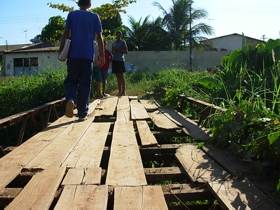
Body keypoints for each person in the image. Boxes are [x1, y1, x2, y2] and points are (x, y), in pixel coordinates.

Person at [58, 0, 105, 121]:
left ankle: (71, 99)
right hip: (87, 56)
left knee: (71, 80)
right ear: (90, 5)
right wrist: (102, 55)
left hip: (73, 55)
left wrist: (61, 50)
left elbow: (66, 34)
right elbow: (99, 37)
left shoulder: (72, 15)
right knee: (85, 83)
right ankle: (82, 113)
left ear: (78, 4)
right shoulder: (95, 17)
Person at [111, 31, 128, 96]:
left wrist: (118, 49)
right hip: (114, 60)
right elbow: (112, 52)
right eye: (117, 35)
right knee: (117, 76)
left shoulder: (123, 42)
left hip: (120, 60)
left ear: (121, 36)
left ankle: (123, 91)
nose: (118, 36)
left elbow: (126, 52)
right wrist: (114, 51)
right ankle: (119, 91)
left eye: (119, 35)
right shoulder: (114, 43)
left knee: (121, 75)